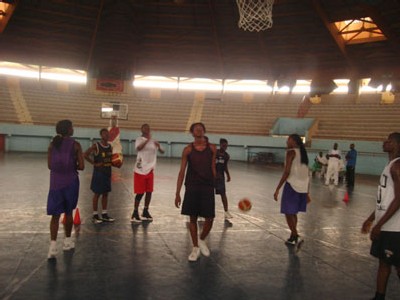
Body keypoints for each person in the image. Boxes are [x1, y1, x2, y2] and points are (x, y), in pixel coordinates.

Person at [361, 132, 400, 300]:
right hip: (386, 224)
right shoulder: (389, 165)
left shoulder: (397, 166)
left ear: (397, 145)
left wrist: (379, 225)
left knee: (397, 265)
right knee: (384, 263)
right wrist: (371, 219)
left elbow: (399, 199)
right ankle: (379, 297)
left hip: (395, 227)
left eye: (389, 140)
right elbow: (385, 199)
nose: (385, 142)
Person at [175, 122, 217, 261]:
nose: (198, 130)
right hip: (192, 187)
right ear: (192, 133)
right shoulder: (187, 150)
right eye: (196, 129)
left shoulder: (212, 148)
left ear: (204, 131)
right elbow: (182, 172)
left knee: (209, 218)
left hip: (207, 187)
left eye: (201, 128)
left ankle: (201, 239)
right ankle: (195, 247)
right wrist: (177, 192)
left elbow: (213, 168)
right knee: (192, 218)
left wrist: (218, 183)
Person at [47, 120, 84, 259]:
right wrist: (72, 164)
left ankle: (52, 247)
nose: (73, 129)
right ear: (68, 129)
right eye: (72, 127)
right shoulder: (76, 145)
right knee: (68, 212)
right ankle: (67, 241)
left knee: (55, 216)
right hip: (71, 182)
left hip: (55, 183)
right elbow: (81, 166)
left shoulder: (52, 145)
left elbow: (50, 165)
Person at [274, 134, 310, 248]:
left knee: (288, 212)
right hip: (303, 186)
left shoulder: (291, 152)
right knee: (293, 212)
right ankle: (293, 237)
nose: (286, 141)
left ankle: (296, 235)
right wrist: (307, 191)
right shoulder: (303, 153)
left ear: (294, 141)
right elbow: (306, 173)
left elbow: (286, 172)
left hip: (292, 185)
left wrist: (278, 188)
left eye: (288, 139)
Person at [131, 124, 164, 223]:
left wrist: (159, 146)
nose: (147, 130)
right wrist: (147, 140)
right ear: (141, 130)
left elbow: (162, 151)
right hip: (140, 170)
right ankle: (135, 213)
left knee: (149, 192)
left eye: (148, 128)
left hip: (150, 170)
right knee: (140, 193)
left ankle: (145, 210)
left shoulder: (153, 141)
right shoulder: (139, 139)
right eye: (145, 128)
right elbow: (139, 148)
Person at [84, 128, 115, 224]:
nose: (107, 135)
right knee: (97, 194)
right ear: (101, 135)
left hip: (107, 173)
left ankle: (104, 214)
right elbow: (85, 154)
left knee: (105, 193)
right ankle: (95, 215)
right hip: (99, 173)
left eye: (108, 134)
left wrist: (116, 163)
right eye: (105, 134)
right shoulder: (96, 145)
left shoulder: (110, 146)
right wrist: (94, 163)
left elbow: (109, 159)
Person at [215, 138, 232, 219]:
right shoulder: (214, 152)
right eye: (224, 145)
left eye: (226, 146)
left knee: (223, 194)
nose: (225, 147)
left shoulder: (226, 156)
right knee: (207, 195)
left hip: (220, 177)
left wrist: (228, 175)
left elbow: (225, 166)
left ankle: (226, 211)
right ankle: (202, 212)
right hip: (211, 177)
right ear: (220, 145)